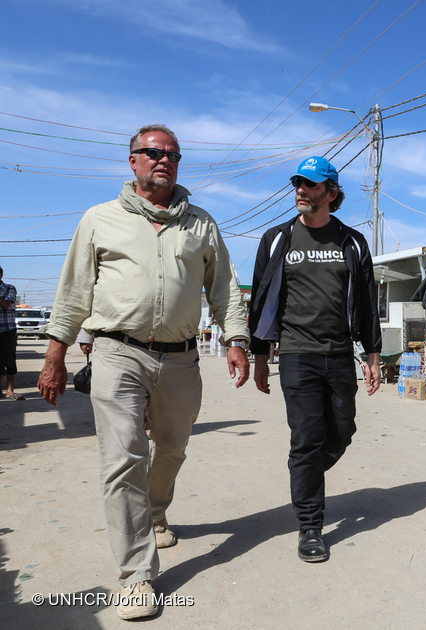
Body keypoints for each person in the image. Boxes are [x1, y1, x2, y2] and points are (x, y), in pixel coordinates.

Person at [38, 124, 251, 620]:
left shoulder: (201, 224)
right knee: (122, 459)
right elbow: (72, 293)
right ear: (132, 161)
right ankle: (136, 575)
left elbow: (224, 290)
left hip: (180, 358)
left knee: (173, 446)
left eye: (173, 155)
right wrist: (54, 358)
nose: (164, 161)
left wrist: (236, 339)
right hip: (116, 352)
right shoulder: (99, 220)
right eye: (153, 153)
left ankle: (155, 511)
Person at [249, 155, 382, 563]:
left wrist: (372, 354)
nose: (300, 191)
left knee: (342, 432)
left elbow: (366, 302)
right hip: (296, 353)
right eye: (298, 184)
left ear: (331, 193)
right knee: (306, 438)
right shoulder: (277, 239)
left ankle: (303, 474)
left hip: (340, 353)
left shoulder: (353, 242)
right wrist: (258, 354)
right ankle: (310, 525)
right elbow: (259, 299)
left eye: (309, 185)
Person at [0, 266, 22, 400]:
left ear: (1, 275)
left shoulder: (9, 288)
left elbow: (6, 305)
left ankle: (10, 391)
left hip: (7, 330)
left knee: (10, 361)